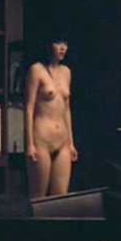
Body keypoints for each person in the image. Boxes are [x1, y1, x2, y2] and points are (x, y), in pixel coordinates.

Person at [26, 38, 78, 197]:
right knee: (39, 197)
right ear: (48, 45)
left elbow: (67, 109)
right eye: (58, 43)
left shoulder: (66, 72)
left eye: (65, 44)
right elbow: (29, 108)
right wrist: (29, 144)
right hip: (41, 139)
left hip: (63, 141)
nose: (63, 48)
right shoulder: (36, 70)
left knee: (60, 198)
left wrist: (71, 143)